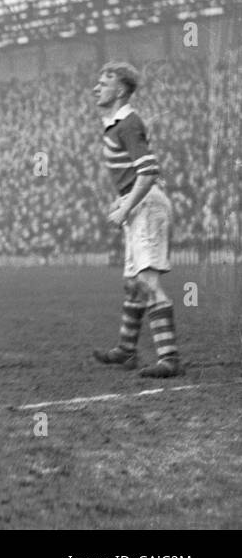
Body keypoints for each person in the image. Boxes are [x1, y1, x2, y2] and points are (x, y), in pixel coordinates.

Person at [91, 63, 182, 378]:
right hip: (138, 206)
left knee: (148, 284)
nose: (96, 87)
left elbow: (149, 171)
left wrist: (126, 207)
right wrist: (124, 202)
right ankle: (127, 351)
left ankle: (170, 359)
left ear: (120, 90)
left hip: (146, 208)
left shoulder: (128, 123)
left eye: (104, 83)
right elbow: (133, 175)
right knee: (134, 285)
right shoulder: (115, 124)